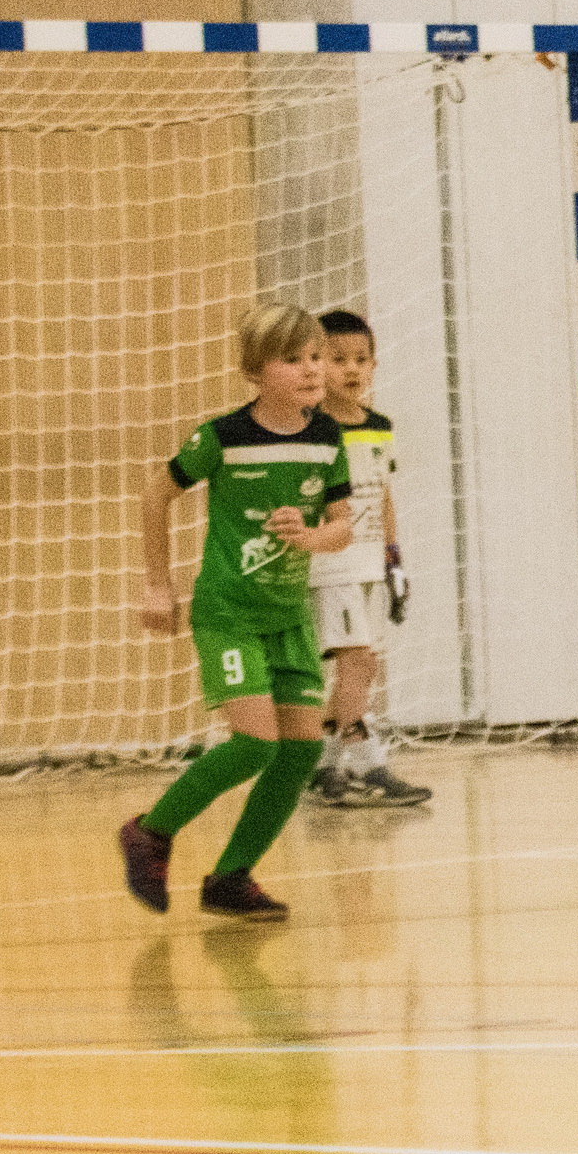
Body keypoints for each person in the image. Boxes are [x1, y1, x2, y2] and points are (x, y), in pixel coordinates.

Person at [117, 302, 357, 921]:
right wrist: (157, 584)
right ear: (255, 372)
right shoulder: (222, 437)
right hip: (229, 614)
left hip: (289, 618)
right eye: (293, 359)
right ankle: (151, 831)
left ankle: (230, 878)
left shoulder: (326, 438)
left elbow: (341, 527)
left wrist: (311, 535)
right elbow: (156, 494)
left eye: (315, 357)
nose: (311, 369)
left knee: (300, 749)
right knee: (253, 743)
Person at [305, 306, 429, 810]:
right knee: (357, 660)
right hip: (330, 562)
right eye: (338, 359)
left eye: (360, 359)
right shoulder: (311, 429)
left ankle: (324, 767)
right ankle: (366, 762)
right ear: (317, 365)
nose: (351, 369)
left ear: (374, 364)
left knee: (361, 663)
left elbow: (383, 493)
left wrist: (393, 557)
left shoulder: (380, 426)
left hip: (370, 562)